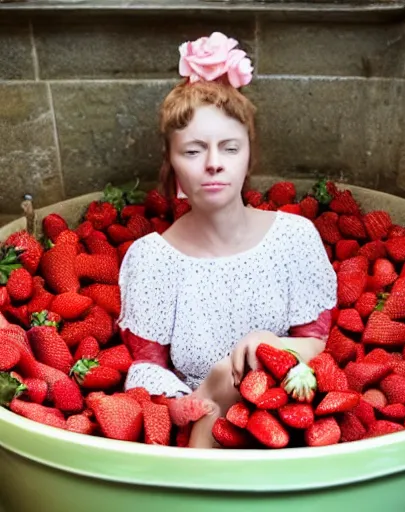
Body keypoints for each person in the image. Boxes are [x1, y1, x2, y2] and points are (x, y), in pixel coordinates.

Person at [117, 32, 337, 448]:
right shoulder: (152, 260)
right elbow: (147, 371)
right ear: (171, 164)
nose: (214, 164)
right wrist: (205, 400)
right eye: (194, 151)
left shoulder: (293, 239)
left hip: (288, 417)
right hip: (198, 429)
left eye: (229, 148)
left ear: (249, 155)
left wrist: (271, 345)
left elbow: (318, 346)